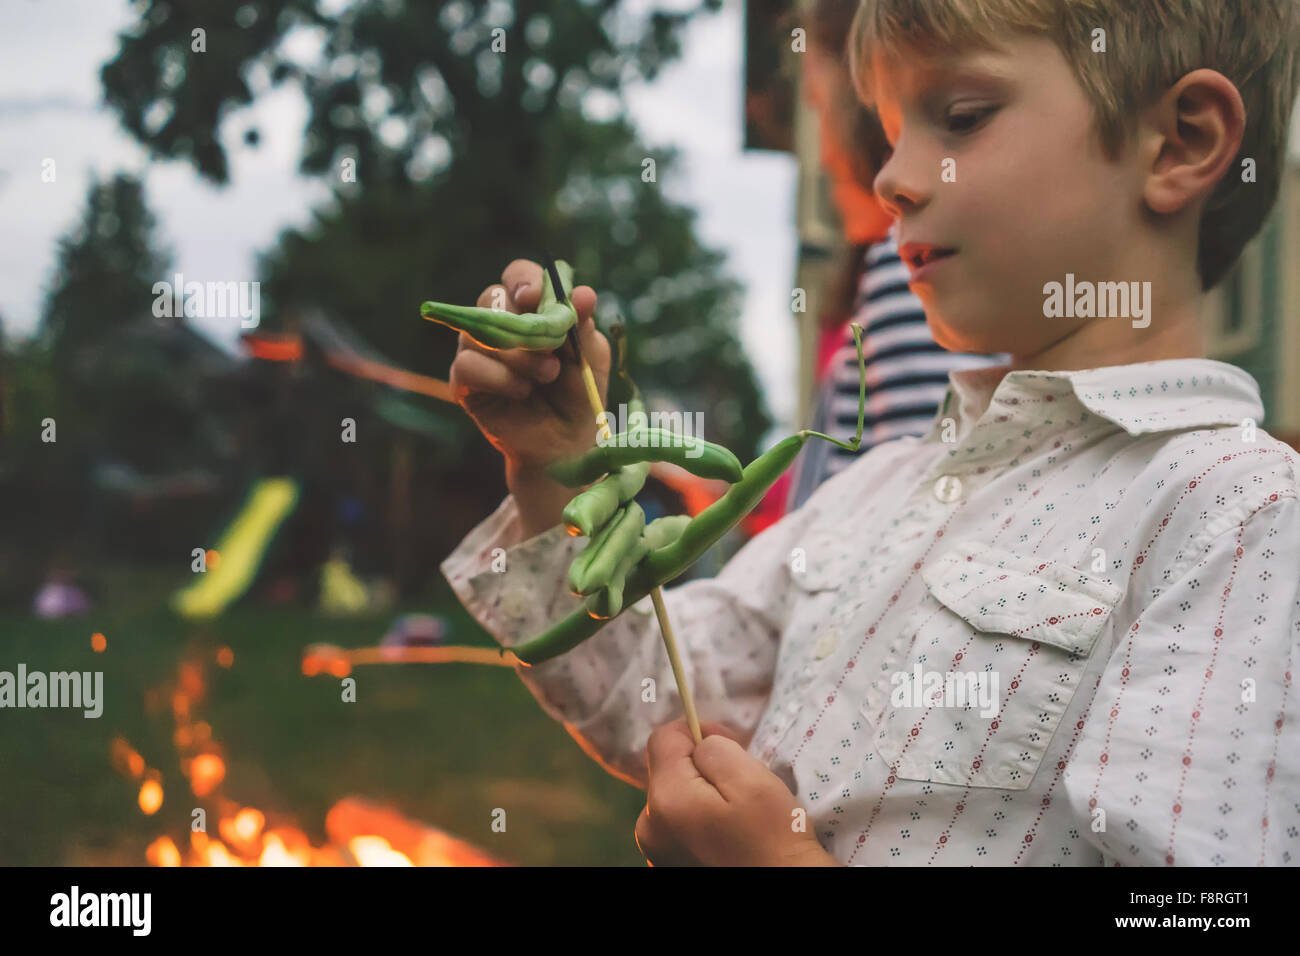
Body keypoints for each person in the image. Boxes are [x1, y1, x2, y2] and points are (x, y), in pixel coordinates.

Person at [440, 0, 1300, 865]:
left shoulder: (1239, 517)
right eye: (891, 136)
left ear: (1181, 141)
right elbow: (654, 692)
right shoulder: (874, 490)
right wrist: (556, 474)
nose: (891, 178)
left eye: (961, 117)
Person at [783, 0, 1007, 513]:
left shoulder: (918, 268)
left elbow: (927, 504)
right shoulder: (893, 268)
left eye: (819, 102)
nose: (822, 146)